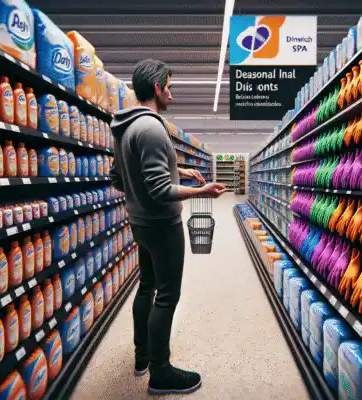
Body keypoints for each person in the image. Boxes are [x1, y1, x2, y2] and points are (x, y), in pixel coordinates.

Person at [109, 58, 226, 395]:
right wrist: (202, 190)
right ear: (157, 88)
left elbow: (120, 178)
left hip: (140, 224)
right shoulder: (152, 128)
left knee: (146, 287)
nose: (171, 94)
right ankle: (160, 372)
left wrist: (181, 171)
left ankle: (142, 357)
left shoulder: (125, 127)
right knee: (167, 295)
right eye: (169, 87)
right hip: (162, 225)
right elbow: (160, 190)